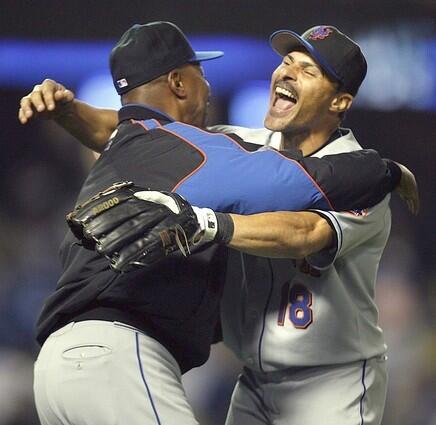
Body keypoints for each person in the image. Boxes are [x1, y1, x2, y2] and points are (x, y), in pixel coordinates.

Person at [20, 23, 418, 425]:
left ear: (339, 102)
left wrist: (208, 223)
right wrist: (68, 111)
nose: (285, 73)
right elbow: (137, 129)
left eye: (307, 71)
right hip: (255, 382)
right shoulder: (239, 148)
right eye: (286, 62)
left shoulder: (360, 182)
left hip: (333, 379)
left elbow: (304, 233)